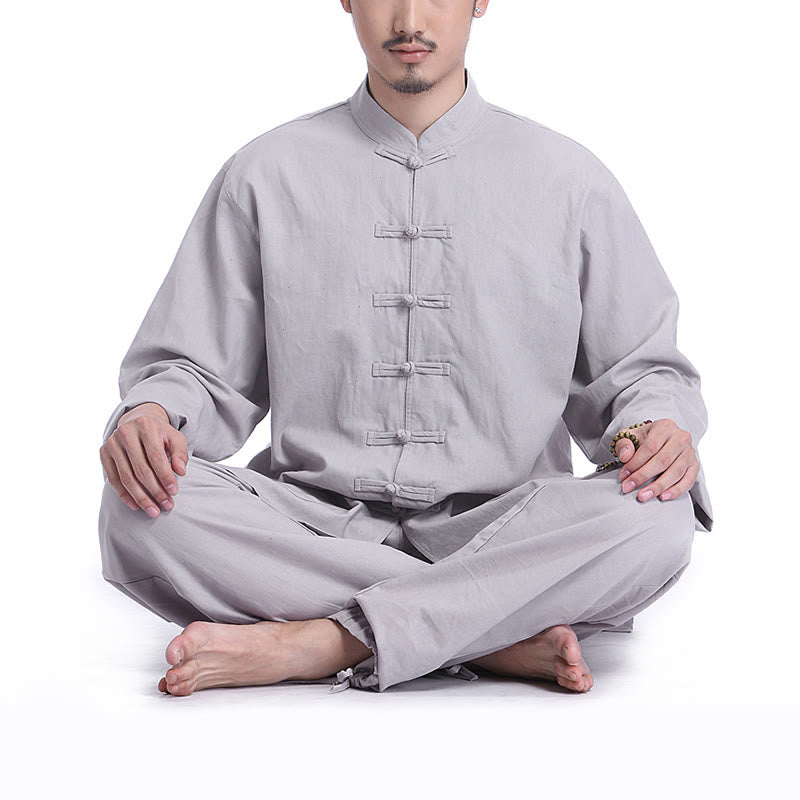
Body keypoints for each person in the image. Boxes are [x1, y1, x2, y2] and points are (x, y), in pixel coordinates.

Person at [97, 0, 713, 697]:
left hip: (510, 525)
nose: (410, 19)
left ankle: (320, 641)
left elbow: (639, 370)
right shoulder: (266, 172)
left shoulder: (570, 178)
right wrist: (153, 414)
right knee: (137, 508)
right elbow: (195, 366)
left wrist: (653, 426)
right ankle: (492, 629)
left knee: (661, 515)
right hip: (311, 524)